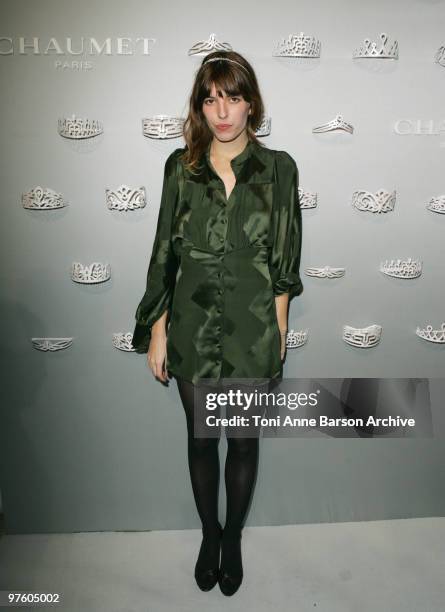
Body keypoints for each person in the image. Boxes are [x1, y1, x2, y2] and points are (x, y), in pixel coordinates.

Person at [131, 50, 303, 596]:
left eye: (231, 97)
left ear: (251, 102)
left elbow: (284, 265)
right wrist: (157, 329)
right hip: (191, 324)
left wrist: (277, 335)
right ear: (199, 107)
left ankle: (233, 541)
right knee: (202, 439)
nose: (221, 111)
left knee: (245, 441)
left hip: (254, 328)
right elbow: (164, 253)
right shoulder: (179, 168)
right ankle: (210, 533)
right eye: (210, 99)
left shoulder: (280, 169)